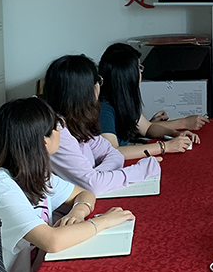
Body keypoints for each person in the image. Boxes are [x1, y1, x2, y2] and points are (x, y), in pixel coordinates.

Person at [0, 97, 134, 272]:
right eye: (58, 127)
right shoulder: (0, 187)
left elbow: (84, 193)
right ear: (45, 141)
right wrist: (104, 222)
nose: (62, 131)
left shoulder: (32, 172)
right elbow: (52, 241)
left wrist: (77, 212)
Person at [43, 54, 163, 195]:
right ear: (89, 90)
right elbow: (93, 185)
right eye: (98, 81)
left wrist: (97, 176)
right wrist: (142, 170)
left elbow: (115, 155)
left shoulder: (77, 120)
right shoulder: (56, 130)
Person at [98, 42, 207, 159]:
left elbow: (148, 128)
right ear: (128, 74)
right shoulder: (104, 108)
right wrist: (165, 146)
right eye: (139, 68)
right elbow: (114, 152)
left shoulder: (124, 100)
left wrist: (176, 134)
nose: (141, 73)